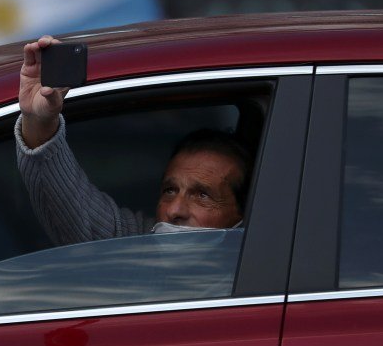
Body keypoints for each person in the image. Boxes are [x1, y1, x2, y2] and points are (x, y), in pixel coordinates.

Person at [15, 35, 251, 246]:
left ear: (243, 215)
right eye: (169, 191)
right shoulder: (141, 247)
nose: (175, 210)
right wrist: (39, 121)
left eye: (202, 195)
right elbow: (75, 212)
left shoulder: (269, 274)